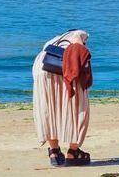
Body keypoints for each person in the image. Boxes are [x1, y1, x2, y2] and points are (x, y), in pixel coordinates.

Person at [32, 29, 92, 166]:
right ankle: (73, 152)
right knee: (78, 108)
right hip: (61, 69)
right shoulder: (79, 34)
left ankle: (54, 151)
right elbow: (79, 47)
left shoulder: (54, 41)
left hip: (42, 70)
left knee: (49, 109)